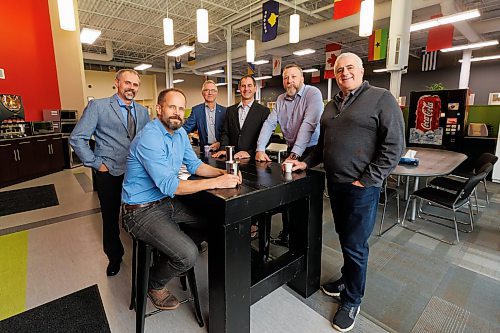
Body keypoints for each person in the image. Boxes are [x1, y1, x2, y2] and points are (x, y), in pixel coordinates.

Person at [286, 52, 405, 332]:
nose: (344, 73)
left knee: (356, 244)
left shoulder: (381, 98)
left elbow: (394, 147)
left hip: (361, 188)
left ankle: (352, 299)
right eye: (339, 70)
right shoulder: (332, 104)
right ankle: (345, 279)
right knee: (344, 237)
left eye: (350, 67)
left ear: (362, 71)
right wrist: (306, 162)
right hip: (336, 184)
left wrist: (367, 180)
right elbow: (323, 146)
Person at [121, 88, 240, 310]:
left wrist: (222, 173)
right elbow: (169, 185)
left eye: (180, 108)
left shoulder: (181, 134)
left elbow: (195, 165)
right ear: (159, 109)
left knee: (213, 223)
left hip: (164, 203)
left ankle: (170, 256)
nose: (177, 113)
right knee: (188, 254)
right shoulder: (149, 137)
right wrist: (216, 183)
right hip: (139, 211)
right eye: (171, 107)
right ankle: (154, 283)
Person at [70, 69, 150, 276]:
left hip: (137, 171)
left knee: (143, 211)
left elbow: (146, 140)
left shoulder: (142, 112)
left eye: (135, 84)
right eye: (128, 83)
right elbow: (77, 138)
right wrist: (96, 163)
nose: (132, 87)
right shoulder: (99, 106)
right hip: (109, 172)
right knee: (110, 216)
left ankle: (146, 251)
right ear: (117, 83)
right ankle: (114, 257)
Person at [255, 64, 323, 246]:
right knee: (288, 194)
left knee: (305, 200)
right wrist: (260, 148)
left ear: (302, 78)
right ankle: (287, 233)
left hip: (311, 151)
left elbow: (308, 125)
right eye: (286, 78)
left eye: (293, 77)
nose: (289, 81)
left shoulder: (313, 93)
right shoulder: (280, 99)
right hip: (292, 150)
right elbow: (270, 124)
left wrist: (294, 155)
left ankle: (304, 240)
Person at [212, 75, 270, 159]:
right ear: (239, 88)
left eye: (249, 85)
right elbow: (225, 133)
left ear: (255, 88)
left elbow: (267, 136)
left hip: (252, 158)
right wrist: (224, 149)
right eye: (243, 86)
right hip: (232, 157)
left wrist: (249, 152)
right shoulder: (230, 110)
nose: (246, 89)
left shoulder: (264, 111)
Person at [183, 80, 226, 151]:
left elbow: (228, 133)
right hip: (205, 150)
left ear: (216, 93)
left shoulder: (225, 111)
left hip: (221, 149)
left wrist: (220, 143)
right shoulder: (196, 110)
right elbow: (186, 129)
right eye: (207, 90)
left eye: (213, 90)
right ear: (202, 93)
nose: (210, 93)